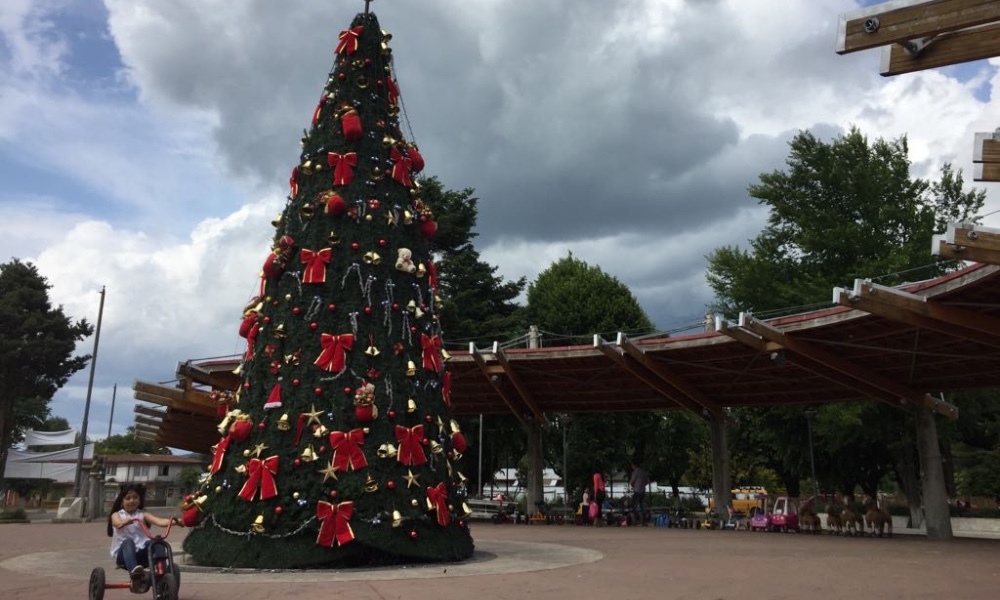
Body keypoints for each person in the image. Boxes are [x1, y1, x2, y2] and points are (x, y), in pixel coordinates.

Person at [107, 484, 181, 589]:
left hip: (142, 554)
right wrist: (124, 522)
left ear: (140, 500)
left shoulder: (142, 515)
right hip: (124, 555)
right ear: (122, 502)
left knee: (157, 541)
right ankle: (135, 573)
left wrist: (177, 521)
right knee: (128, 542)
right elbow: (117, 523)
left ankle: (161, 571)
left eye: (135, 498)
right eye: (128, 498)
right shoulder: (117, 515)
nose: (132, 501)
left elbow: (160, 521)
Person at [629, 461, 650, 526]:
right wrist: (642, 485)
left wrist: (634, 486)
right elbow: (647, 481)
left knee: (633, 505)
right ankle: (644, 521)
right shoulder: (643, 472)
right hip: (642, 491)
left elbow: (632, 481)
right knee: (642, 506)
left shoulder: (635, 472)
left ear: (634, 465)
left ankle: (636, 520)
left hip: (637, 490)